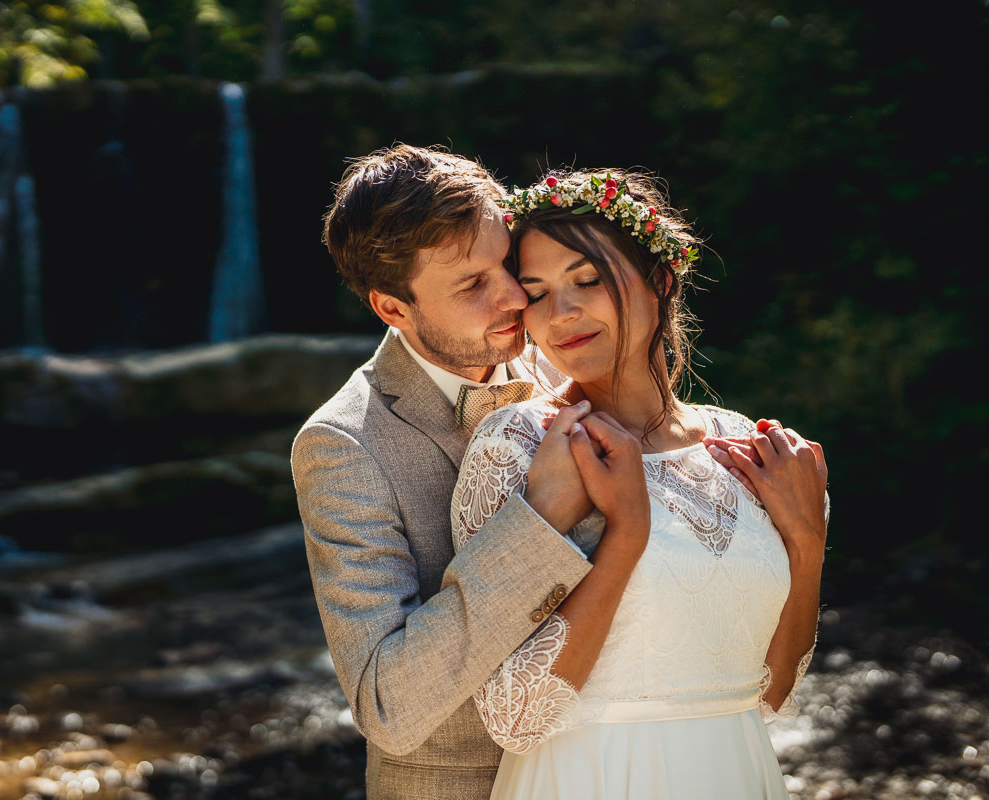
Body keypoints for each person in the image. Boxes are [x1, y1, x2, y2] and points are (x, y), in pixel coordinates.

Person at [292, 146, 769, 799]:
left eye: (507, 266)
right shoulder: (344, 445)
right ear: (393, 309)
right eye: (472, 285)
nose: (517, 297)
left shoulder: (566, 350)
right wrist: (537, 522)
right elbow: (387, 704)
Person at [451, 169, 829, 800]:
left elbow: (771, 691)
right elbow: (512, 716)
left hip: (737, 773)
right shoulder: (521, 446)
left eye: (587, 279)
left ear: (660, 279)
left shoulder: (751, 452)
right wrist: (626, 534)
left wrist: (807, 542)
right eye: (537, 292)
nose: (562, 313)